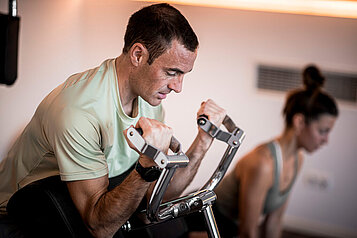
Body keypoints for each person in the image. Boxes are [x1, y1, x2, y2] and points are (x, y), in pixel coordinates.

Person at [0, 3, 227, 238]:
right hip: (19, 219)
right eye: (171, 72)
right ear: (138, 55)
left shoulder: (150, 104)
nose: (178, 88)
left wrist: (203, 140)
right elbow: (99, 227)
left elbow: (156, 197)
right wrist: (148, 165)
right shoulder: (79, 110)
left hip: (74, 208)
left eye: (183, 75)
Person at [186, 65, 339, 238]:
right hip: (200, 220)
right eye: (323, 131)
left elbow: (274, 221)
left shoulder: (297, 159)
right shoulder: (263, 163)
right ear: (300, 122)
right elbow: (248, 232)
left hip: (230, 228)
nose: (326, 140)